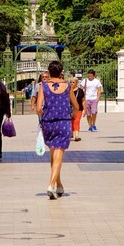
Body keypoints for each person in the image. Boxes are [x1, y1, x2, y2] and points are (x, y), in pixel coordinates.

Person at [35, 60, 79, 200]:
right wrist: (72, 115)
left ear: (49, 72)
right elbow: (76, 106)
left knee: (54, 154)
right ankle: (50, 184)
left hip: (48, 123)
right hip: (63, 122)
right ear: (61, 72)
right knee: (59, 154)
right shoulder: (67, 86)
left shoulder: (43, 86)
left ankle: (59, 185)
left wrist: (46, 115)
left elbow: (38, 108)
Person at [69, 76, 85, 142]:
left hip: (79, 109)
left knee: (76, 121)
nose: (72, 83)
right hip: (69, 109)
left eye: (73, 82)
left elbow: (83, 101)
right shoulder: (67, 90)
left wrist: (85, 110)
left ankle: (77, 136)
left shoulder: (80, 91)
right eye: (70, 82)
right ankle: (72, 134)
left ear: (76, 83)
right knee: (71, 122)